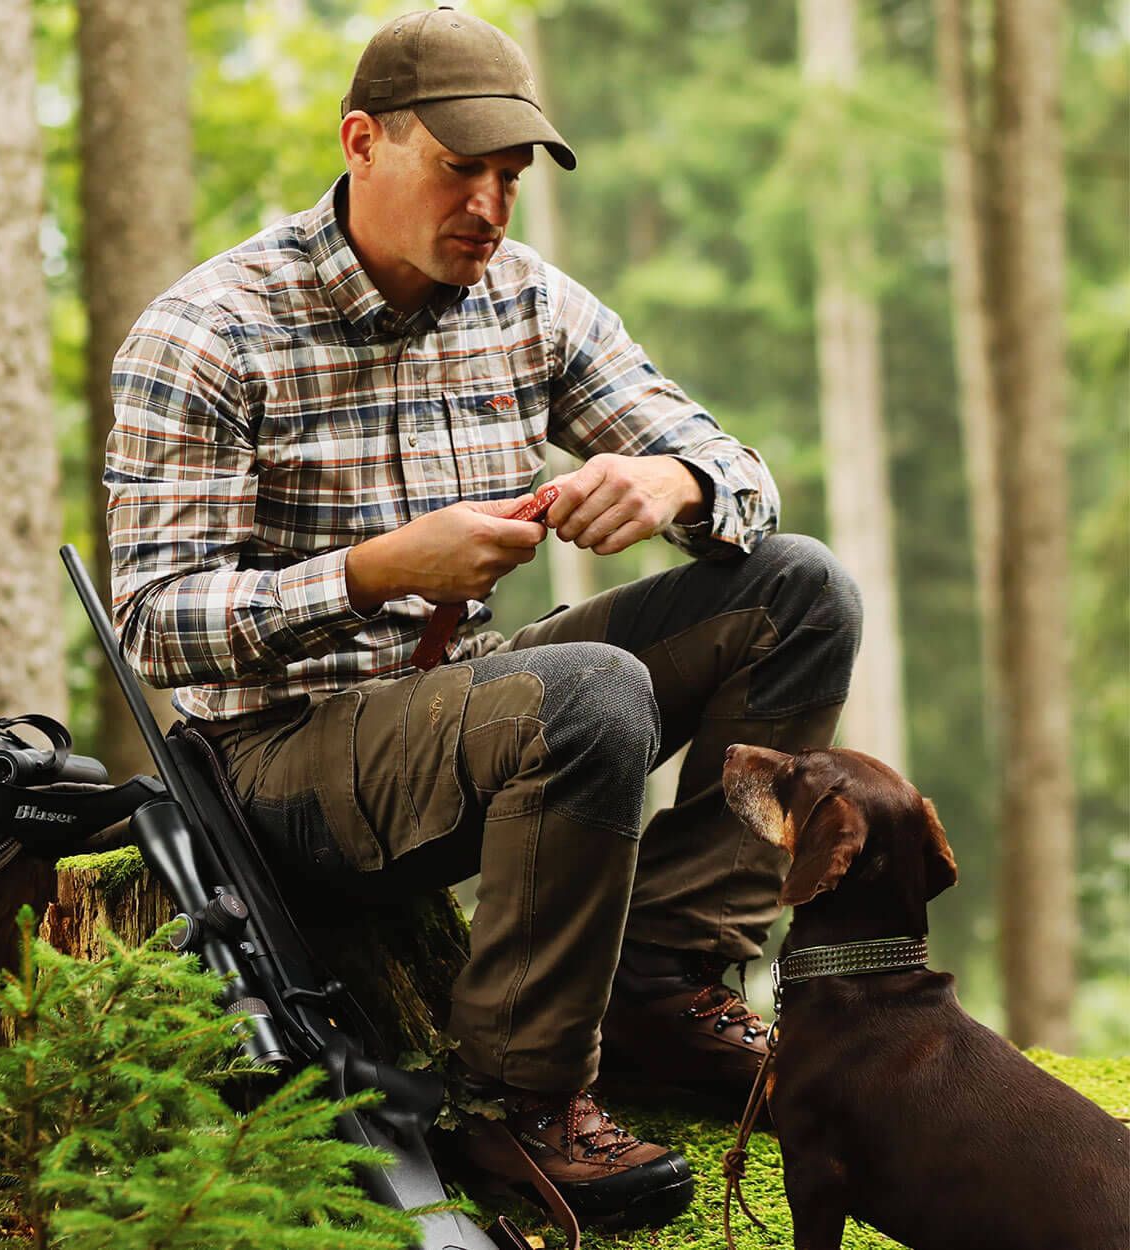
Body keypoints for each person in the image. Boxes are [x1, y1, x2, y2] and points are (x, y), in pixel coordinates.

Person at [102, 5, 861, 1231]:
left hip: (475, 699)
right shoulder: (209, 332)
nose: (489, 206)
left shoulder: (527, 304)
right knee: (587, 692)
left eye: (508, 176)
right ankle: (521, 1101)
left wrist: (673, 482)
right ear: (360, 141)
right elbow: (152, 623)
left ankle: (661, 986)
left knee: (799, 589)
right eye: (460, 168)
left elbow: (737, 471)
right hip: (273, 760)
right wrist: (369, 570)